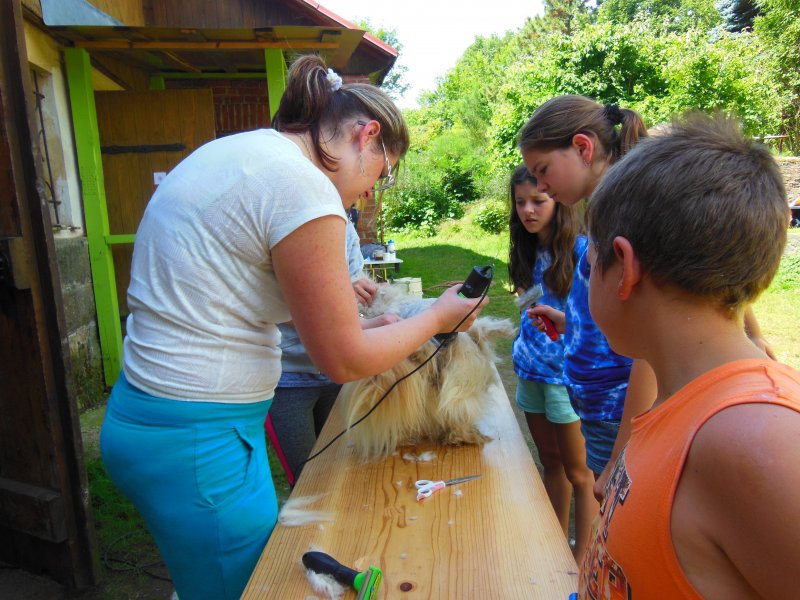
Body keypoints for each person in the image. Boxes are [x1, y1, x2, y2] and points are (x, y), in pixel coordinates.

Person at [99, 54, 487, 600]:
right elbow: (343, 360)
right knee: (244, 590)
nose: (371, 193)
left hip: (162, 419)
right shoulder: (302, 187)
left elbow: (286, 312)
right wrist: (439, 317)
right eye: (383, 173)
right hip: (197, 439)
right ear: (366, 136)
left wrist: (380, 325)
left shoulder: (245, 153)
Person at [578, 112, 800, 598]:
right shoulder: (683, 401)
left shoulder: (752, 439)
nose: (588, 273)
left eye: (590, 263)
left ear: (624, 269)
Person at [517, 95, 774, 497]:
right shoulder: (607, 213)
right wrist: (573, 325)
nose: (541, 185)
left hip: (619, 408)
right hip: (600, 401)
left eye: (543, 170)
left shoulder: (625, 219)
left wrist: (622, 456)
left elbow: (648, 346)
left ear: (583, 148)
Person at [507, 165, 597, 562]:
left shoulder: (582, 251)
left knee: (581, 474)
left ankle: (582, 560)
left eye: (537, 201)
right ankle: (556, 549)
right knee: (551, 463)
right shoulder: (525, 250)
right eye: (520, 202)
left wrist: (564, 321)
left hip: (564, 379)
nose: (528, 210)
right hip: (531, 374)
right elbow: (526, 306)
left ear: (557, 201)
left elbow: (597, 321)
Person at [269, 220, 395, 484]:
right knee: (305, 479)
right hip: (286, 378)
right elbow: (275, 300)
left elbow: (354, 279)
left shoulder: (344, 225)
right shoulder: (282, 220)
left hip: (339, 373)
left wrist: (363, 292)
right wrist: (341, 295)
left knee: (343, 470)